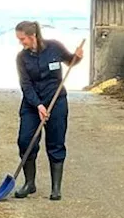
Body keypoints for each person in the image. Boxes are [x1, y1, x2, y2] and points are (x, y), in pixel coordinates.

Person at [14, 21, 83, 200]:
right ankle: (29, 184)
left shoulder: (54, 47)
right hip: (32, 104)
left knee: (56, 141)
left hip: (56, 101)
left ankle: (56, 188)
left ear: (32, 36)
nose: (21, 42)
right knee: (25, 140)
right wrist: (38, 105)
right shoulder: (22, 58)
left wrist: (78, 56)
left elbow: (70, 60)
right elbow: (26, 85)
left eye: (22, 39)